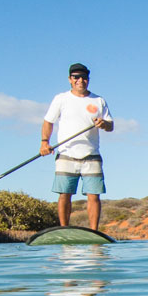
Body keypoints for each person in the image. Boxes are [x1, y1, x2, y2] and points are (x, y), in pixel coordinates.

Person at [41, 62, 115, 229]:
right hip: (66, 153)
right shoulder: (61, 99)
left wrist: (103, 124)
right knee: (64, 194)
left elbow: (111, 126)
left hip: (91, 154)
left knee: (93, 196)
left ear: (88, 80)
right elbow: (48, 121)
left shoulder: (99, 100)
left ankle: (94, 231)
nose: (80, 80)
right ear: (70, 79)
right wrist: (45, 142)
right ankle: (64, 229)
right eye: (76, 77)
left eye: (84, 77)